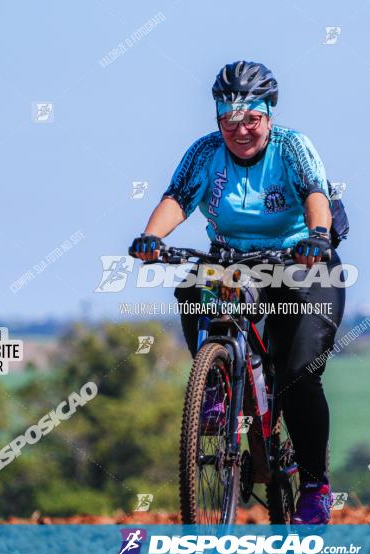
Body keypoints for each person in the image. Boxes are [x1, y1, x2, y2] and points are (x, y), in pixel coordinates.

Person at [129, 60, 347, 524]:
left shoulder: (291, 147)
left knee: (299, 374)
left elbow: (315, 195)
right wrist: (152, 238)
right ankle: (217, 383)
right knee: (193, 283)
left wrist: (318, 236)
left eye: (252, 119)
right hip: (233, 261)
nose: (241, 129)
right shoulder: (206, 153)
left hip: (301, 262)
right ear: (217, 119)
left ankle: (314, 486)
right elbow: (177, 199)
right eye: (230, 119)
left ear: (269, 114)